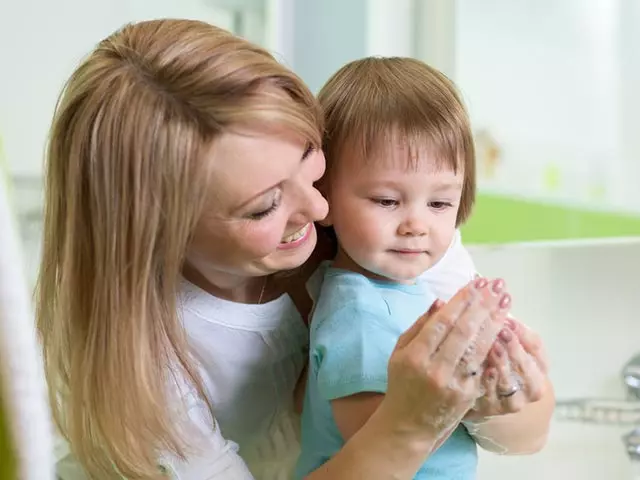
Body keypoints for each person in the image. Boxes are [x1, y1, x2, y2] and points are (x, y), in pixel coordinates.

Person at [36, 19, 553, 480]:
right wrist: (411, 424)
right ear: (160, 231)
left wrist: (499, 399)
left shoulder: (387, 224)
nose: (319, 208)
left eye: (310, 155)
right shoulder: (143, 362)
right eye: (264, 207)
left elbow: (526, 437)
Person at [294, 57, 517, 480]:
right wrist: (472, 386)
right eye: (386, 201)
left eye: (439, 203)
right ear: (322, 197)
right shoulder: (356, 314)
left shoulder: (416, 289)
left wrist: (496, 378)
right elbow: (381, 443)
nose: (416, 225)